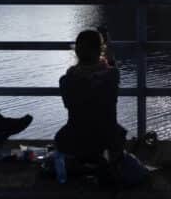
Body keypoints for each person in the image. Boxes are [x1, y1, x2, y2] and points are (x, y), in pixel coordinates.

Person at [54, 29, 127, 161]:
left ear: (76, 52)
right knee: (117, 133)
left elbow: (69, 104)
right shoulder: (112, 75)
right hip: (106, 139)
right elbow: (111, 69)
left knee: (60, 138)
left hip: (76, 139)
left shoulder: (66, 80)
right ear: (100, 51)